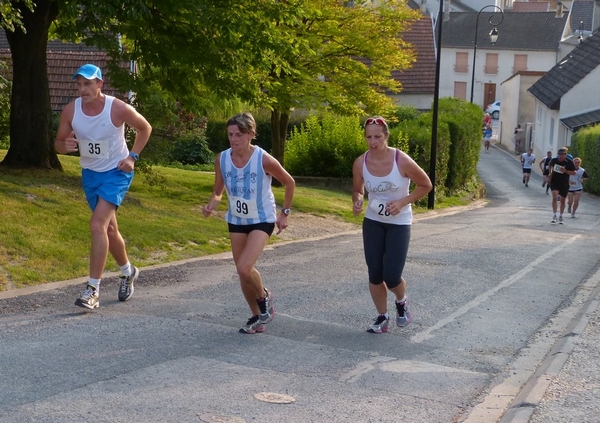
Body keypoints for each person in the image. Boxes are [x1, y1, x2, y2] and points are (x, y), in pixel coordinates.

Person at [54, 64, 152, 309]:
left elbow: (144, 128)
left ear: (100, 84)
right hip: (91, 174)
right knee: (108, 230)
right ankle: (128, 271)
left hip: (116, 173)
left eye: (87, 83)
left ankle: (92, 290)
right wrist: (61, 146)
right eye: (78, 84)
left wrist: (132, 157)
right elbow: (58, 142)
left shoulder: (116, 108)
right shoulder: (70, 111)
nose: (82, 89)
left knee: (97, 224)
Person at [202, 112, 295, 334]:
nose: (234, 139)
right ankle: (256, 317)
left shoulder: (263, 159)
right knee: (242, 272)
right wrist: (212, 204)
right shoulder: (222, 159)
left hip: (262, 219)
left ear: (251, 134)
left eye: (239, 135)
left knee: (245, 266)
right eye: (230, 134)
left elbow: (289, 182)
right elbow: (218, 191)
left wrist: (285, 214)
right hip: (236, 219)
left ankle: (264, 298)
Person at [352, 116, 432, 334]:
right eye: (369, 137)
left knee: (392, 275)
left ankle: (402, 300)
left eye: (377, 136)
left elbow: (426, 185)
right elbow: (358, 189)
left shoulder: (401, 160)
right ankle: (382, 316)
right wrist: (358, 200)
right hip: (373, 221)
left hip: (399, 222)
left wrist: (402, 202)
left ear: (386, 135)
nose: (373, 142)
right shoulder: (361, 162)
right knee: (375, 273)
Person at [548, 148, 576, 224]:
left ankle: (561, 216)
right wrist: (550, 173)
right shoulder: (554, 160)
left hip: (564, 183)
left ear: (565, 155)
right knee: (555, 197)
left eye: (562, 154)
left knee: (562, 201)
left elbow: (574, 173)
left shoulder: (569, 162)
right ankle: (554, 215)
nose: (560, 156)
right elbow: (550, 164)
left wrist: (566, 171)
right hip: (554, 182)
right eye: (559, 154)